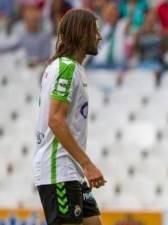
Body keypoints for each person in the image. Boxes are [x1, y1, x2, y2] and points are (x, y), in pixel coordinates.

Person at [33, 9, 106, 225]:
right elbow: (55, 119)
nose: (99, 37)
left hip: (70, 171)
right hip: (58, 169)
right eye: (96, 31)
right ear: (82, 32)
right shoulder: (66, 68)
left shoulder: (73, 68)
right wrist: (88, 164)